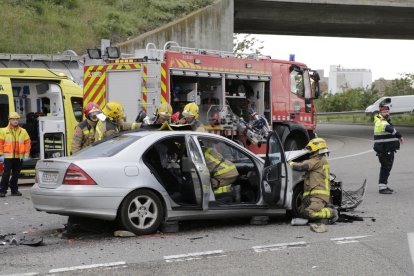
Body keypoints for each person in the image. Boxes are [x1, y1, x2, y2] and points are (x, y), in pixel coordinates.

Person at [289, 138, 338, 224]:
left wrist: (289, 163)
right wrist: (305, 197)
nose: (310, 152)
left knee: (308, 213)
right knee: (301, 213)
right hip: (313, 195)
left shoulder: (318, 160)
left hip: (319, 196)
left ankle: (331, 212)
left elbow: (301, 167)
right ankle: (323, 211)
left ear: (317, 149)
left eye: (311, 149)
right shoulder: (318, 160)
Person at [373, 105, 404, 194]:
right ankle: (382, 188)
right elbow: (388, 128)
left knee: (386, 167)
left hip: (387, 148)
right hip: (385, 149)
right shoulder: (381, 121)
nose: (386, 113)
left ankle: (384, 185)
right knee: (386, 167)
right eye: (384, 112)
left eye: (387, 112)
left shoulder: (384, 120)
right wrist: (399, 135)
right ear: (380, 113)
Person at [0, 112, 31, 197]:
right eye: (13, 119)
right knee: (5, 174)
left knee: (16, 175)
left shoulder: (23, 131)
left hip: (19, 157)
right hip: (7, 157)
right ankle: (2, 191)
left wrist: (26, 154)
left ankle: (14, 190)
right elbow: (0, 143)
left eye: (17, 119)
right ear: (9, 120)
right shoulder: (3, 131)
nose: (15, 121)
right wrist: (1, 155)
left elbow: (27, 143)